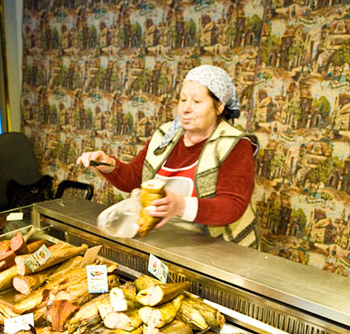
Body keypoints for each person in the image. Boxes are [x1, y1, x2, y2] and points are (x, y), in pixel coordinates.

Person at [77, 65, 260, 247]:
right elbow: (135, 179)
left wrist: (180, 206)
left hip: (219, 250)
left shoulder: (235, 145)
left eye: (196, 102)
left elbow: (231, 207)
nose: (186, 109)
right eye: (182, 99)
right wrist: (109, 165)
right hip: (172, 242)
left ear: (219, 106)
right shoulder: (166, 135)